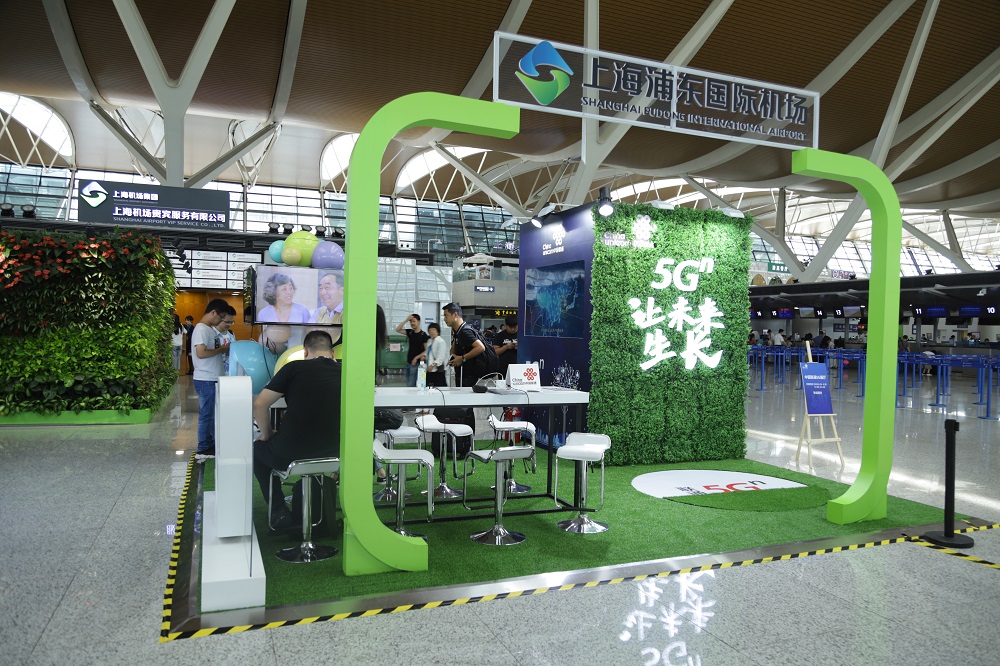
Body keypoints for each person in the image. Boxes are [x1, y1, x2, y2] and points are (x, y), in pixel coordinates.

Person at [252, 330, 343, 528]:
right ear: (333, 354)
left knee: (257, 451)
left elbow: (259, 404)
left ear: (305, 352)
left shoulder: (293, 368)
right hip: (337, 452)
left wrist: (267, 434)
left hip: (291, 453)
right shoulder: (346, 371)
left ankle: (278, 511)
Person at [192, 299, 237, 459]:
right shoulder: (201, 329)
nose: (221, 320)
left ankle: (210, 443)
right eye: (221, 317)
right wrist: (221, 349)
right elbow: (201, 353)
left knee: (211, 413)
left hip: (212, 377)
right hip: (206, 378)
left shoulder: (208, 330)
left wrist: (223, 350)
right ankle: (203, 447)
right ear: (213, 313)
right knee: (206, 414)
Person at [444, 302, 488, 387]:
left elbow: (480, 347)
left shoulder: (465, 331)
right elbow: (454, 349)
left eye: (446, 315)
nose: (444, 319)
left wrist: (462, 358)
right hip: (462, 374)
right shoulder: (459, 331)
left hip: (468, 377)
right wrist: (454, 357)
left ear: (455, 315)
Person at [395, 313, 429, 387]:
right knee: (408, 385)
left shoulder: (423, 335)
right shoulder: (410, 332)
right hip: (409, 363)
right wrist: (406, 320)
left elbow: (426, 350)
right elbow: (397, 329)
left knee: (412, 385)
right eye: (411, 321)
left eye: (414, 321)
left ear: (419, 321)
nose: (412, 323)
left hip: (418, 364)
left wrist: (416, 358)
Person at [493, 314, 518, 379]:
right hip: (503, 367)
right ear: (506, 325)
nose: (513, 329)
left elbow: (528, 351)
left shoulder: (521, 335)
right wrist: (506, 347)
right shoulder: (500, 336)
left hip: (518, 366)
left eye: (515, 327)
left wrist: (519, 348)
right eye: (510, 327)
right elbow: (495, 351)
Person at [425, 322, 449, 387]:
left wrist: (432, 365)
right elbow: (428, 353)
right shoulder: (429, 341)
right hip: (429, 369)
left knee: (440, 387)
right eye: (430, 330)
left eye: (433, 330)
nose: (431, 332)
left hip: (437, 369)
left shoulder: (441, 341)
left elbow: (440, 358)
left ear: (438, 331)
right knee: (428, 387)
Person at [214, 311, 237, 375]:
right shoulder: (212, 333)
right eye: (227, 322)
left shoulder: (231, 334)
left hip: (230, 372)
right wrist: (222, 350)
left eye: (231, 322)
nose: (229, 325)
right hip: (215, 372)